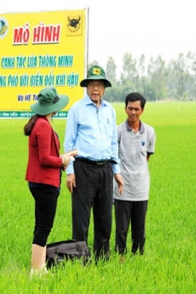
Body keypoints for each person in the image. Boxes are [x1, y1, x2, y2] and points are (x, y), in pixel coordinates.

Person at [64, 65, 124, 262]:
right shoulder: (76, 110)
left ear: (105, 88)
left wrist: (116, 170)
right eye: (92, 85)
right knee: (81, 218)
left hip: (105, 169)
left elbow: (113, 142)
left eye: (99, 85)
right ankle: (80, 260)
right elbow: (69, 143)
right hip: (83, 168)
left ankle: (102, 258)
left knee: (104, 216)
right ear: (86, 87)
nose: (95, 89)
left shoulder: (110, 111)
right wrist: (70, 171)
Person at [24, 86, 78, 277]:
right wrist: (63, 160)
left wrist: (63, 157)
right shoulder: (43, 126)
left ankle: (39, 267)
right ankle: (37, 270)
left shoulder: (40, 122)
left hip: (40, 181)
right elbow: (45, 159)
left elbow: (46, 156)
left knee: (41, 225)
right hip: (45, 184)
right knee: (44, 226)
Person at [113, 92, 156, 262]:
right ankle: (120, 256)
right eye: (130, 108)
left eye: (136, 109)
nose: (133, 112)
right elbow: (114, 158)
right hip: (122, 187)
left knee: (140, 227)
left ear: (142, 110)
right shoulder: (117, 132)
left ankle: (138, 256)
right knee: (121, 228)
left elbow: (146, 157)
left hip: (141, 187)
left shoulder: (150, 132)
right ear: (125, 109)